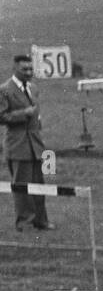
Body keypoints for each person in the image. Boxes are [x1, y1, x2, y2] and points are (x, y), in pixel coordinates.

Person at [0, 54, 52, 232]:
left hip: (36, 145)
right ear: (14, 69)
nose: (29, 72)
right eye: (25, 69)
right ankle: (25, 223)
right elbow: (2, 116)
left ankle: (41, 221)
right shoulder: (5, 90)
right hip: (18, 145)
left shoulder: (34, 88)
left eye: (31, 69)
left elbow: (36, 116)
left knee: (39, 184)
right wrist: (24, 114)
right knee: (22, 187)